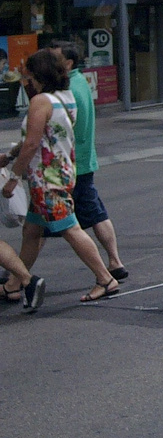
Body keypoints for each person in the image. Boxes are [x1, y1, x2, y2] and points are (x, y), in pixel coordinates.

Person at [0, 50, 118, 300]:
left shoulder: (40, 101)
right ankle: (15, 283)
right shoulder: (64, 97)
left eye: (30, 75)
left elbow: (32, 143)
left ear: (39, 75)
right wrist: (11, 155)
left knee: (70, 229)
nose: (27, 81)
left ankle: (105, 278)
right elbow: (42, 136)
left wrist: (13, 177)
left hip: (46, 179)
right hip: (62, 171)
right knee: (32, 232)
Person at [57, 44, 129, 281]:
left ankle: (110, 266)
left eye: (54, 57)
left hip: (74, 163)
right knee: (94, 213)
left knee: (55, 222)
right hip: (83, 160)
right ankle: (114, 262)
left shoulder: (68, 89)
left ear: (68, 62)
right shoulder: (80, 82)